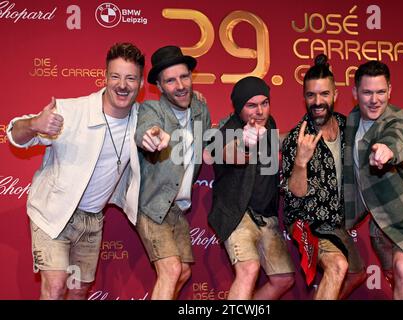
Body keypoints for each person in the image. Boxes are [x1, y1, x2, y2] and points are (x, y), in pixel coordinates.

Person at [6, 42, 144, 299]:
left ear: (141, 83)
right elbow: (15, 134)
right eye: (115, 76)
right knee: (56, 286)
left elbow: (175, 110)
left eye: (130, 78)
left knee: (78, 292)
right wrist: (35, 124)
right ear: (104, 77)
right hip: (53, 212)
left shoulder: (143, 119)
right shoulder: (70, 111)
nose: (122, 85)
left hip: (92, 219)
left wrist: (194, 100)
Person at [343, 60, 403, 300]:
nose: (375, 99)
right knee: (396, 275)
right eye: (367, 92)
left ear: (390, 91)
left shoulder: (397, 118)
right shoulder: (352, 120)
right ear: (355, 93)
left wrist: (387, 151)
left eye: (381, 92)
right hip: (380, 223)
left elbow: (398, 138)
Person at [282, 54, 365, 299]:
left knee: (357, 274)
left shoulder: (347, 125)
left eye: (324, 94)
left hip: (336, 222)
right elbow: (295, 194)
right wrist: (301, 161)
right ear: (304, 97)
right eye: (311, 95)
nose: (317, 102)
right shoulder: (297, 138)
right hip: (307, 221)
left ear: (335, 95)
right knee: (338, 265)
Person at [135, 45, 211, 300]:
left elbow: (210, 141)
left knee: (184, 272)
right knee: (171, 269)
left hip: (178, 208)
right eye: (170, 80)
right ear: (159, 85)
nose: (180, 85)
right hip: (151, 205)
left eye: (184, 77)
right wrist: (151, 136)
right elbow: (145, 129)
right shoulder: (151, 111)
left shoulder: (201, 111)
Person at [208, 76, 295, 300]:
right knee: (249, 269)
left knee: (283, 279)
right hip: (238, 215)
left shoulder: (270, 123)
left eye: (264, 103)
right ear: (239, 108)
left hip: (267, 216)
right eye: (251, 105)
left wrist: (299, 136)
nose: (260, 111)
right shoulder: (228, 131)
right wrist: (245, 144)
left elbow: (276, 140)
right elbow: (231, 153)